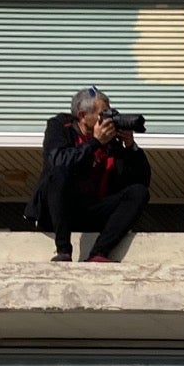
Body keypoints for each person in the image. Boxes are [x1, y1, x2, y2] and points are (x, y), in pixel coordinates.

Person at [26, 86, 152, 263]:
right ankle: (63, 250)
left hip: (92, 211)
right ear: (83, 116)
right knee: (59, 173)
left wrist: (131, 147)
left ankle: (99, 253)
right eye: (103, 114)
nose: (108, 120)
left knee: (139, 192)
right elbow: (58, 161)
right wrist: (95, 143)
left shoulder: (111, 141)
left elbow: (142, 180)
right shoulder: (60, 127)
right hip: (59, 213)